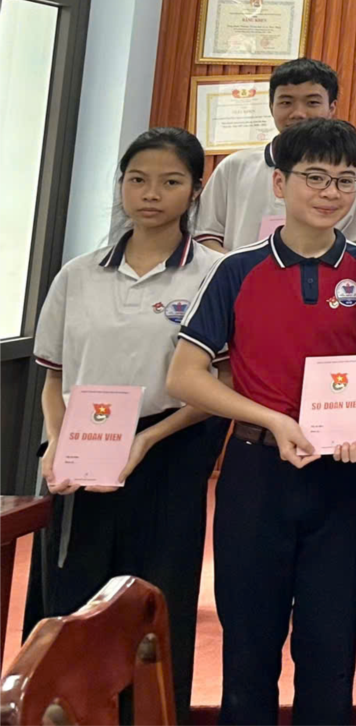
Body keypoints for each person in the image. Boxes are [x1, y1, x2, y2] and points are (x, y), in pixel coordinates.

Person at [166, 118, 356, 726]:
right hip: (257, 473)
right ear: (280, 183)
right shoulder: (236, 269)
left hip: (343, 476)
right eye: (315, 177)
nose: (330, 192)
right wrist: (272, 420)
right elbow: (185, 377)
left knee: (330, 650)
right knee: (249, 647)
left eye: (345, 180)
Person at [28, 127, 222, 725]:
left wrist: (148, 439)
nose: (151, 194)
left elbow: (221, 383)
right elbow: (54, 378)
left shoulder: (214, 274)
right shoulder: (78, 274)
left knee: (156, 606)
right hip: (82, 452)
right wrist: (56, 442)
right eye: (137, 180)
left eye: (170, 181)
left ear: (195, 190)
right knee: (73, 601)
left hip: (168, 448)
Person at [193, 57, 356, 250]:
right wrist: (240, 266)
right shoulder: (235, 167)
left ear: (332, 108)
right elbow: (204, 233)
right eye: (286, 102)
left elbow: (351, 245)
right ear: (271, 106)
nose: (298, 113)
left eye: (312, 102)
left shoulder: (350, 179)